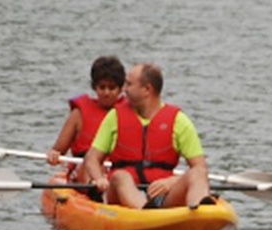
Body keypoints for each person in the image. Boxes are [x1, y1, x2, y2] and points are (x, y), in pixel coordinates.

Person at [90, 63, 210, 209]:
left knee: (198, 173)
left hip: (161, 196)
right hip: (121, 194)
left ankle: (198, 211)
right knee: (120, 176)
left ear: (147, 89)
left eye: (129, 84)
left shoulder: (179, 120)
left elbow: (199, 166)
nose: (124, 89)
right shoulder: (115, 116)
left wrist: (170, 182)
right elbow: (92, 159)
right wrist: (98, 178)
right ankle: (146, 211)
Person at [48, 54, 126, 186]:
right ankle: (97, 193)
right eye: (102, 87)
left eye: (112, 88)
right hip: (83, 171)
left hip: (115, 171)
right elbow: (58, 151)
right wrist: (53, 155)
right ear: (94, 87)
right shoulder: (78, 114)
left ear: (121, 88)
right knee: (91, 165)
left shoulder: (130, 113)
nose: (106, 93)